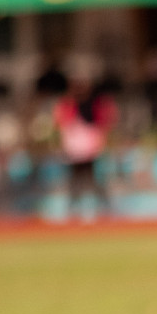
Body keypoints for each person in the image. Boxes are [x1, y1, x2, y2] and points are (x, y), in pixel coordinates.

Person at [54, 79, 116, 219]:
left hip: (89, 149)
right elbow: (62, 124)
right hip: (74, 150)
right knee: (75, 182)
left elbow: (102, 123)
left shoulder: (92, 105)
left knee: (95, 180)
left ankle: (105, 208)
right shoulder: (68, 105)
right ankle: (73, 209)